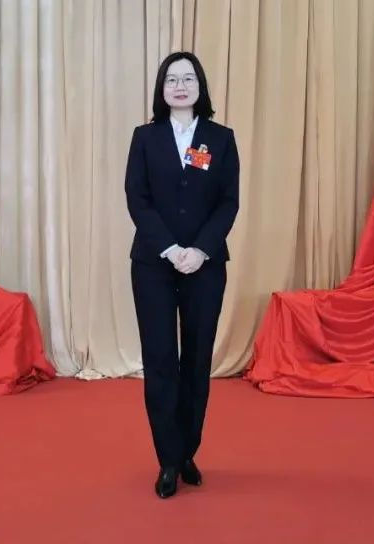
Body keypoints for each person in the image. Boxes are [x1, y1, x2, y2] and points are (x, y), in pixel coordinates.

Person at [124, 51, 240, 499]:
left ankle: (188, 449)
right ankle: (168, 460)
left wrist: (200, 250)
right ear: (162, 88)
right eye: (171, 79)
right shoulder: (145, 137)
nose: (179, 86)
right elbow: (137, 199)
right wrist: (171, 249)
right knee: (160, 361)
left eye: (188, 78)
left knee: (196, 360)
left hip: (204, 266)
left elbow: (228, 202)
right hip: (154, 264)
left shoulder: (220, 139)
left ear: (200, 86)